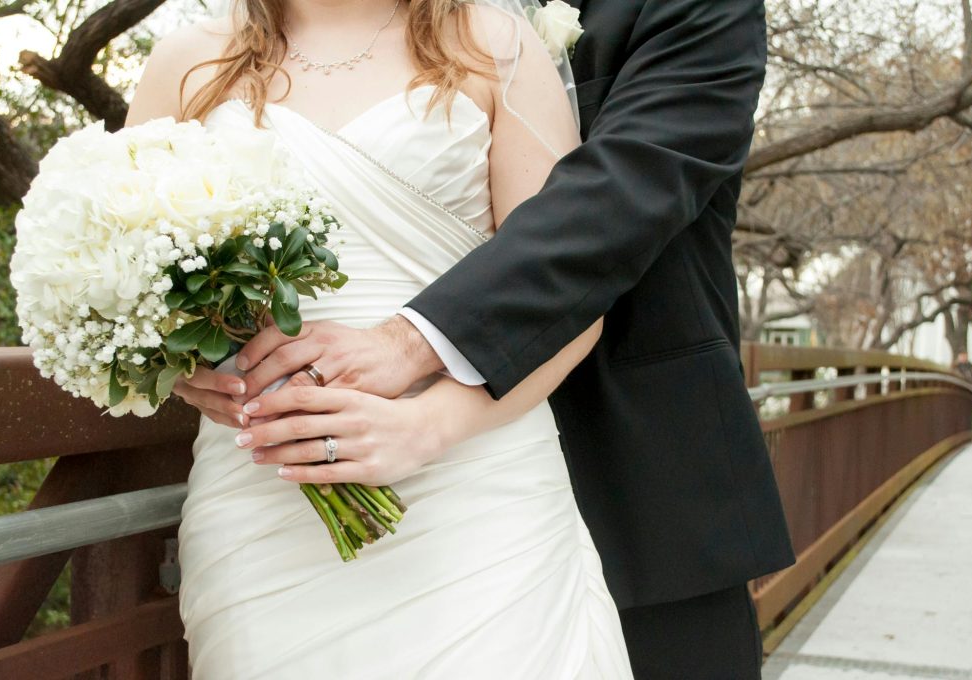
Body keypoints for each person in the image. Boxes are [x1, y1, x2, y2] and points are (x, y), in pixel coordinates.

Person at [178, 0, 799, 677]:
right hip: (292, 505)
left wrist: (412, 349)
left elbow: (624, 190)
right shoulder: (219, 49)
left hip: (632, 486)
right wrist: (185, 348)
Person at [127, 0, 635, 677]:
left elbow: (571, 295)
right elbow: (126, 283)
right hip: (265, 504)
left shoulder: (494, 44)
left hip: (476, 492)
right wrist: (181, 365)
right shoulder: (187, 62)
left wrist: (430, 425)